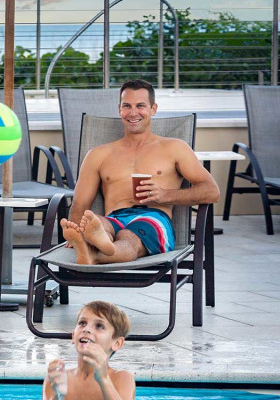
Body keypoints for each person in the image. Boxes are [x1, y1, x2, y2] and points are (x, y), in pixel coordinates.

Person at [61, 79, 220, 265]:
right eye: (127, 106)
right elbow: (79, 205)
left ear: (153, 109)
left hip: (153, 217)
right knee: (98, 224)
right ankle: (93, 242)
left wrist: (164, 195)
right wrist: (76, 232)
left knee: (128, 237)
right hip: (114, 217)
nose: (133, 113)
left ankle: (93, 253)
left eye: (140, 106)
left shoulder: (175, 148)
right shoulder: (98, 154)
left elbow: (212, 191)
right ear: (119, 109)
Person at [31, 300, 138, 400]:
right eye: (82, 323)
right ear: (73, 336)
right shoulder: (60, 376)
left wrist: (104, 380)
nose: (87, 329)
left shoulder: (121, 378)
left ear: (117, 343)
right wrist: (57, 396)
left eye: (99, 326)